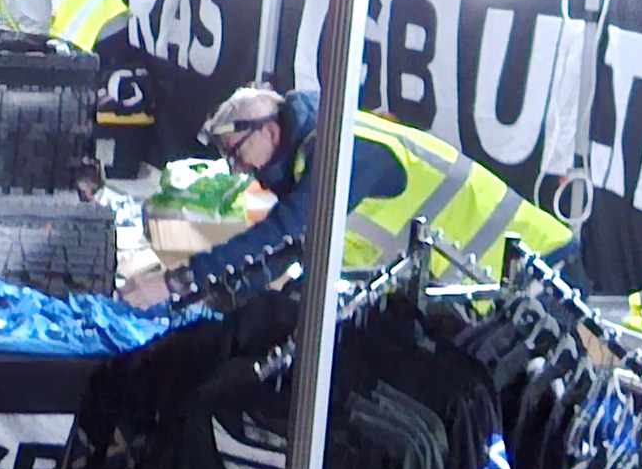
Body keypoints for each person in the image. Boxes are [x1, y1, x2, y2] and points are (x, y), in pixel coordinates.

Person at [138, 82, 577, 306]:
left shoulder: (342, 149)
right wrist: (213, 293)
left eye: (236, 152)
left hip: (541, 268)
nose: (238, 167)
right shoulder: (307, 156)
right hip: (488, 282)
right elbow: (295, 249)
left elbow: (286, 231)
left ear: (270, 130)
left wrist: (178, 281)